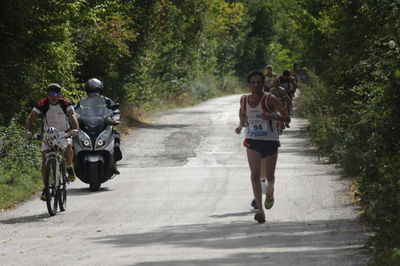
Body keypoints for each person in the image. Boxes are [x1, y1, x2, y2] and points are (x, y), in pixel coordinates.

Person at [235, 70, 290, 223]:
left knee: (270, 177)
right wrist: (241, 125)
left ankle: (270, 190)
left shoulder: (270, 99)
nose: (256, 85)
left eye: (259, 82)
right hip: (253, 140)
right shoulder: (244, 99)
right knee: (255, 174)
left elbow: (287, 117)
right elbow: (243, 113)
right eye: (253, 82)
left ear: (263, 83)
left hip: (270, 141)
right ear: (249, 84)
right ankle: (260, 210)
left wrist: (272, 116)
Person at [25, 83, 79, 200]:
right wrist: (28, 131)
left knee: (68, 146)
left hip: (63, 132)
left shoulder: (65, 103)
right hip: (48, 134)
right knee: (44, 160)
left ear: (59, 95)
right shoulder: (43, 104)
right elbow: (31, 117)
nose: (52, 97)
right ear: (47, 95)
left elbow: (72, 115)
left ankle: (69, 167)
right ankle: (46, 187)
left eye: (55, 94)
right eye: (50, 94)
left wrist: (75, 129)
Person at [75, 78, 122, 166]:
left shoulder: (106, 100)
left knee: (115, 134)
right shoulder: (82, 101)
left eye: (96, 90)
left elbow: (115, 110)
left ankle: (115, 155)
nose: (93, 93)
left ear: (100, 90)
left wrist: (115, 118)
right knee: (73, 136)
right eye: (91, 91)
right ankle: (72, 161)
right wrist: (75, 117)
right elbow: (74, 111)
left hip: (103, 125)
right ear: (87, 90)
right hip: (85, 126)